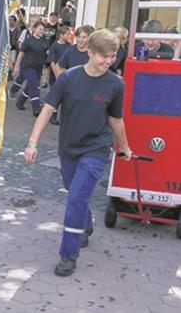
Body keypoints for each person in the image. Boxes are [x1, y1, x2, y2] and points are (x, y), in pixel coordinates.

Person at [24, 30, 131, 277]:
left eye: (113, 57)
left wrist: (124, 146)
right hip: (69, 148)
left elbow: (116, 120)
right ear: (90, 52)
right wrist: (32, 143)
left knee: (74, 199)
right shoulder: (68, 79)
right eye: (104, 56)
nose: (109, 61)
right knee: (76, 193)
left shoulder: (115, 84)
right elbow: (47, 110)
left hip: (96, 149)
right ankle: (86, 224)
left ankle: (68, 256)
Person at [11, 21, 50, 116]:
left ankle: (20, 102)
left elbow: (46, 53)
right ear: (34, 29)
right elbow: (21, 53)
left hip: (38, 67)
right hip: (28, 66)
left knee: (30, 87)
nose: (42, 31)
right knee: (35, 85)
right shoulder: (29, 41)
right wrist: (17, 66)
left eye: (43, 30)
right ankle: (36, 108)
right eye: (40, 29)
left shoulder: (44, 40)